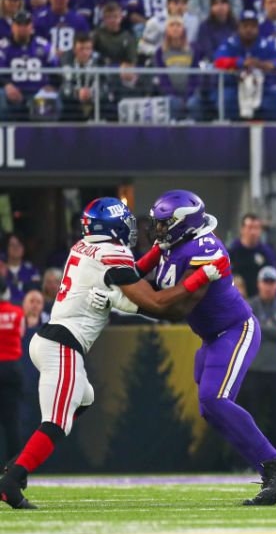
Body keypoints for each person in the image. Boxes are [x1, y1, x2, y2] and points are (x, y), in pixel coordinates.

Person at [0, 197, 220, 509]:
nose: (131, 228)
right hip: (62, 346)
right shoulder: (111, 253)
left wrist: (151, 260)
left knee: (84, 398)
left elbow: (126, 283)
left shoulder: (84, 247)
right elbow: (155, 303)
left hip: (51, 340)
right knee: (57, 422)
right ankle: (12, 480)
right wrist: (200, 277)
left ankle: (16, 464)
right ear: (112, 225)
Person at [142, 189, 276, 506]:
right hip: (212, 337)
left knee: (214, 399)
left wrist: (122, 303)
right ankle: (271, 469)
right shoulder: (172, 246)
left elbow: (175, 308)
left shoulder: (206, 249)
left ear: (184, 223)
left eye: (165, 223)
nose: (158, 230)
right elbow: (133, 274)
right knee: (210, 408)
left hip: (235, 329)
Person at [243, 266, 276, 458]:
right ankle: (249, 459)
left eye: (272, 283)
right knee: (252, 417)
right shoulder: (250, 305)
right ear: (259, 284)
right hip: (254, 369)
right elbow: (247, 327)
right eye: (266, 282)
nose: (269, 287)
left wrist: (262, 327)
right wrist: (273, 328)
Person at [212, 10, 276, 121]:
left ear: (258, 28)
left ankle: (270, 131)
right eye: (245, 26)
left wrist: (272, 64)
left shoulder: (266, 44)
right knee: (225, 99)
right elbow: (218, 61)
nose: (249, 29)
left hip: (263, 88)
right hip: (234, 87)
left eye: (253, 26)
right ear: (239, 27)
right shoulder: (230, 43)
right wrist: (240, 62)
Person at [0, 11, 59, 122]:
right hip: (12, 95)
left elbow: (56, 72)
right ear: (13, 27)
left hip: (38, 95)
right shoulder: (3, 47)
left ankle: (45, 137)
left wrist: (50, 86)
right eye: (19, 24)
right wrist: (7, 85)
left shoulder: (44, 46)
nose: (22, 28)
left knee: (52, 99)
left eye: (26, 24)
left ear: (31, 26)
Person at [227, 213, 276, 300]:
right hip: (236, 301)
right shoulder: (232, 251)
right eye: (250, 228)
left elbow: (274, 278)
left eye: (256, 228)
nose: (253, 232)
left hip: (260, 304)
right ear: (242, 229)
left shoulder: (266, 252)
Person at [0, 296, 22, 463]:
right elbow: (21, 333)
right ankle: (13, 464)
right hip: (11, 368)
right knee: (11, 421)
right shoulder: (17, 312)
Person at [3, 233, 42, 304]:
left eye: (19, 245)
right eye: (12, 245)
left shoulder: (31, 270)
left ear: (24, 248)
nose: (16, 248)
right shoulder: (1, 269)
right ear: (6, 248)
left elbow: (35, 291)